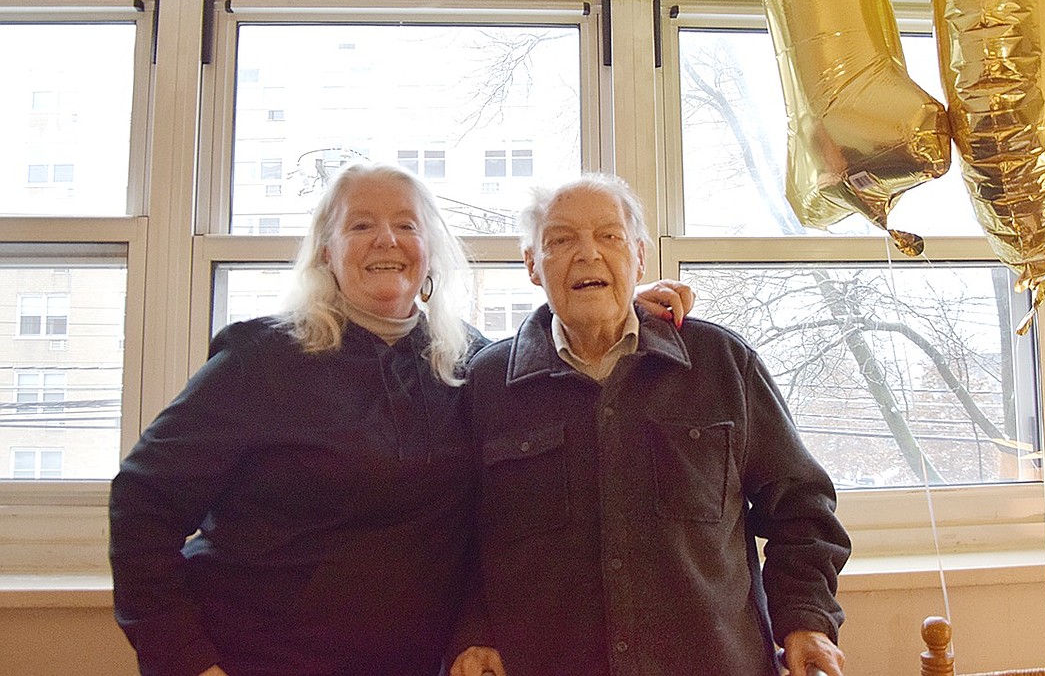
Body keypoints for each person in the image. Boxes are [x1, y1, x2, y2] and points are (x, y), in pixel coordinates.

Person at [109, 161, 694, 676]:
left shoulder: (467, 362)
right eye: (361, 225)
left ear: (430, 249)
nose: (386, 239)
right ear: (325, 250)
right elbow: (142, 502)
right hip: (256, 659)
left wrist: (621, 304)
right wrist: (183, 661)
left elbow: (552, 379)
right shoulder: (261, 359)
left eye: (407, 225)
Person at [452, 173, 852, 676]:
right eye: (560, 240)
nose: (588, 254)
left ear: (639, 255)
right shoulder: (487, 384)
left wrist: (805, 620)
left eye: (609, 236)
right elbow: (457, 534)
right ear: (532, 265)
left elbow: (802, 508)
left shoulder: (721, 363)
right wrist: (474, 631)